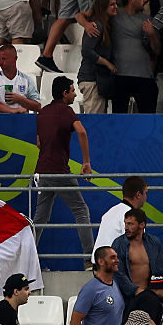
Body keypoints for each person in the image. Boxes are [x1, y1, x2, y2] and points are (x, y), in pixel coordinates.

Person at [33, 76, 94, 256]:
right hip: (59, 171)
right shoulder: (66, 111)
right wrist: (86, 162)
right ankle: (88, 258)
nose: (75, 95)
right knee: (81, 211)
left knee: (40, 217)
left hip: (42, 171)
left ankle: (27, 256)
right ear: (64, 93)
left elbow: (39, 143)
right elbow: (82, 131)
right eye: (72, 91)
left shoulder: (42, 113)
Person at [110, 0, 159, 113]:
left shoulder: (147, 19)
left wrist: (152, 34)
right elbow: (84, 14)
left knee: (148, 116)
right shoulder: (115, 16)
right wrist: (86, 24)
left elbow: (157, 50)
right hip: (120, 74)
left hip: (144, 75)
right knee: (119, 118)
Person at [113, 209, 163, 301]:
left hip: (150, 295)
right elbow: (118, 273)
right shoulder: (119, 244)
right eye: (125, 223)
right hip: (128, 297)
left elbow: (159, 269)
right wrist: (136, 290)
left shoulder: (154, 243)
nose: (126, 227)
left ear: (142, 225)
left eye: (130, 224)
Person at [94, 177, 149, 260]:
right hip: (112, 267)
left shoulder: (110, 212)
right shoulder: (133, 217)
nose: (146, 197)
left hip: (98, 265)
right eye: (145, 193)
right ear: (138, 195)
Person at [0, 44, 42, 113]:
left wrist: (20, 99)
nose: (0, 62)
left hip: (21, 120)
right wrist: (13, 110)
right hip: (0, 120)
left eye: (4, 58)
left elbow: (37, 106)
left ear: (15, 58)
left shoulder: (27, 80)